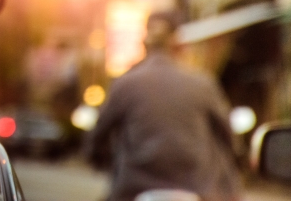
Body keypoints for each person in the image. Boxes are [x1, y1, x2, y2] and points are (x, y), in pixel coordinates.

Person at [90, 11, 242, 201]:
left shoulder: (125, 83)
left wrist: (98, 158)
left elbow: (99, 134)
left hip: (132, 188)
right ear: (179, 45)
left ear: (145, 44)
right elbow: (227, 136)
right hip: (198, 188)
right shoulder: (203, 84)